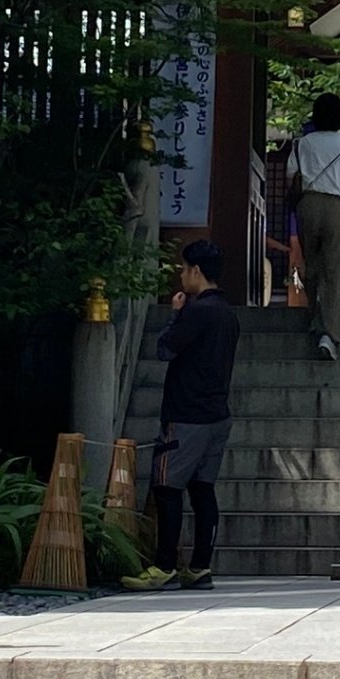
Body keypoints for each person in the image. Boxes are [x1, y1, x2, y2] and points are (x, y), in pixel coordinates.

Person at [141, 239, 240, 587]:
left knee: (167, 487)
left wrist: (175, 314)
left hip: (186, 414)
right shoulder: (228, 314)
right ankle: (200, 566)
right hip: (217, 412)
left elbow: (165, 349)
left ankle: (165, 564)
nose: (182, 275)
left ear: (196, 271)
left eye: (184, 269)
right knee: (202, 489)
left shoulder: (197, 311)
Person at [290, 93, 340, 358]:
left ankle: (314, 317)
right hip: (335, 206)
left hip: (308, 205)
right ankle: (329, 335)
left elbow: (292, 175)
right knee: (334, 270)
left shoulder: (302, 143)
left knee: (312, 264)